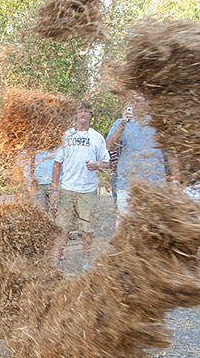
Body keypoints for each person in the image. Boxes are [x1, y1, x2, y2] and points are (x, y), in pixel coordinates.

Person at [49, 102, 110, 271]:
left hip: (88, 190)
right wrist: (55, 190)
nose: (83, 114)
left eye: (86, 111)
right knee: (63, 227)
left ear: (91, 114)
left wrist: (97, 165)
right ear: (75, 114)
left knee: (87, 229)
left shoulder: (97, 137)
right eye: (79, 111)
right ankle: (56, 261)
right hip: (67, 188)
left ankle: (86, 260)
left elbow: (107, 162)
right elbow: (57, 164)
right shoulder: (66, 136)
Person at [106, 92, 169, 214]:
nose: (136, 105)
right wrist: (123, 125)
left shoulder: (159, 123)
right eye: (133, 102)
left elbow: (171, 154)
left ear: (148, 103)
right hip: (127, 186)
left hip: (155, 186)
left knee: (153, 227)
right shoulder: (120, 123)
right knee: (128, 227)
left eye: (140, 101)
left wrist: (175, 181)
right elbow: (109, 147)